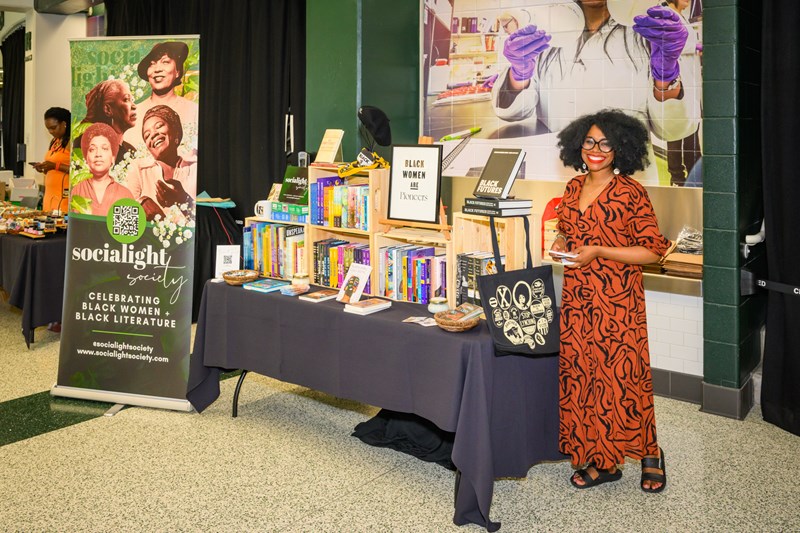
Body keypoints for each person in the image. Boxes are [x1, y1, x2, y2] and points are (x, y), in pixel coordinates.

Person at [550, 109, 672, 493]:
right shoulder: (572, 188)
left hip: (617, 303)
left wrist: (601, 250)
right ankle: (604, 460)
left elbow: (654, 251)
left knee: (623, 379)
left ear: (621, 148)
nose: (596, 150)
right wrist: (561, 243)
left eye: (605, 143)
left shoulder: (630, 193)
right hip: (578, 301)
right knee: (585, 378)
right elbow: (566, 231)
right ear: (577, 146)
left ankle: (650, 453)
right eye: (589, 141)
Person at [492, 1, 700, 183]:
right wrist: (518, 74)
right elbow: (513, 111)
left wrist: (666, 75)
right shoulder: (545, 25)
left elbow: (675, 127)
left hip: (627, 185)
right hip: (557, 179)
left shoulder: (659, 26)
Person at [123, 105, 196, 221]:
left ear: (175, 131)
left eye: (159, 126)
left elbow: (210, 221)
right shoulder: (138, 169)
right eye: (147, 135)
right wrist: (142, 204)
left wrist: (183, 199)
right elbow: (124, 221)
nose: (153, 134)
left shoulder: (194, 168)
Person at [124, 41, 198, 154]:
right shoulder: (133, 114)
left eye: (165, 62)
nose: (157, 69)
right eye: (152, 64)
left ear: (177, 71)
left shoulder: (193, 111)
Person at [71, 123, 135, 216]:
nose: (98, 154)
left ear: (113, 157)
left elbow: (127, 230)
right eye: (92, 149)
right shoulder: (78, 190)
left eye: (104, 148)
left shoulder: (125, 194)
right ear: (86, 158)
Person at [75, 79, 138, 165]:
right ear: (108, 109)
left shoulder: (131, 152)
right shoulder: (85, 146)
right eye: (126, 99)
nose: (134, 106)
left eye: (132, 99)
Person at [31, 107, 71, 212]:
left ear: (64, 124)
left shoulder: (72, 142)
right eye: (48, 128)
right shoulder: (54, 141)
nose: (50, 131)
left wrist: (54, 166)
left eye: (53, 127)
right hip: (50, 194)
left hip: (64, 196)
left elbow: (80, 170)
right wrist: (44, 168)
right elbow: (54, 168)